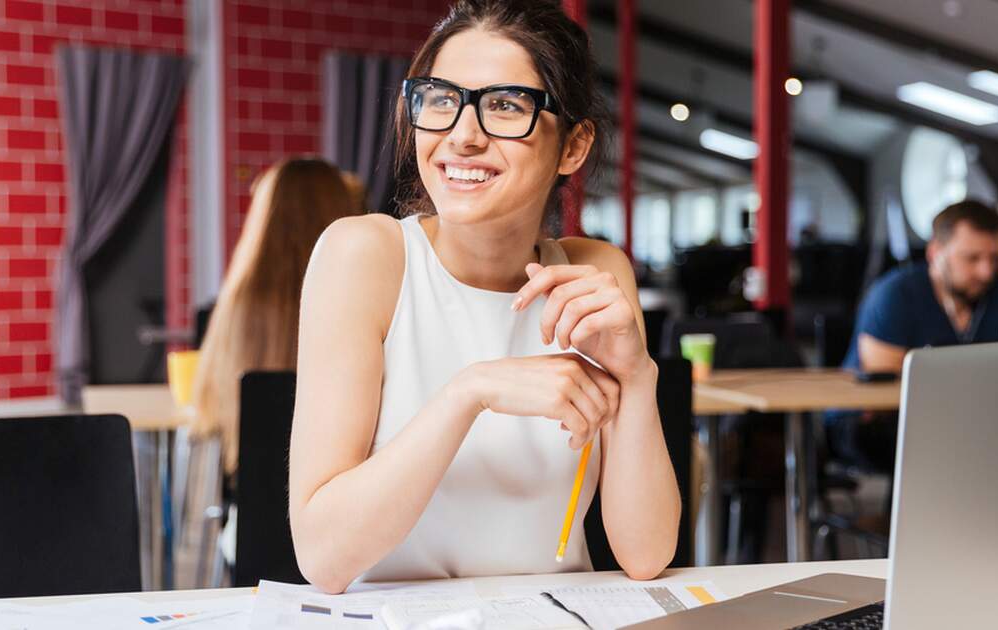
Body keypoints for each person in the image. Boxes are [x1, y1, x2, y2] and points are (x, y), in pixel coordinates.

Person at [289, 0, 681, 594]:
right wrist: (470, 392)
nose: (462, 136)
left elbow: (646, 555)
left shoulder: (593, 273)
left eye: (504, 106)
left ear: (573, 147)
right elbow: (323, 557)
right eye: (441, 99)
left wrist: (638, 375)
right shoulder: (365, 256)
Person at [192, 157, 359, 474]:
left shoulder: (238, 302)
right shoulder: (362, 299)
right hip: (343, 501)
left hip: (249, 511)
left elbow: (207, 410)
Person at [832, 199, 998, 471]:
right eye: (972, 258)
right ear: (935, 252)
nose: (986, 271)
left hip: (968, 415)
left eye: (994, 259)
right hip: (870, 420)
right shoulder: (894, 295)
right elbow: (887, 391)